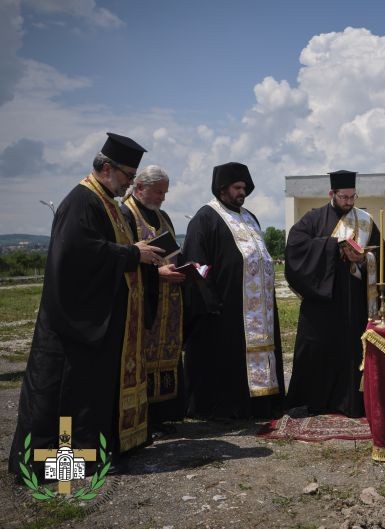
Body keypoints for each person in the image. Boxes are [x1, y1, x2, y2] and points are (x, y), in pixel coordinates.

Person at [9, 133, 163, 478]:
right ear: (106, 168)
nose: (128, 184)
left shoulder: (105, 201)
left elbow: (106, 249)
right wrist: (132, 253)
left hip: (98, 323)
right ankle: (59, 466)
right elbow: (78, 255)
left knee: (88, 396)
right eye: (127, 176)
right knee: (65, 397)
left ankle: (90, 456)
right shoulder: (81, 201)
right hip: (72, 327)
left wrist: (134, 252)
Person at [182, 162, 284, 420]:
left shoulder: (250, 217)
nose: (243, 193)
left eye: (245, 188)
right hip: (226, 309)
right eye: (237, 187)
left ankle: (262, 402)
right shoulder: (205, 218)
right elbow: (196, 265)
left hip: (260, 309)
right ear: (222, 188)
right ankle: (228, 407)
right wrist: (210, 302)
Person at [285, 170, 385, 418]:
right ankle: (314, 401)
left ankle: (350, 401)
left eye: (353, 197)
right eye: (344, 197)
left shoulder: (364, 220)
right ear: (332, 194)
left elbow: (381, 255)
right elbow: (296, 248)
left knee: (351, 350)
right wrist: (334, 248)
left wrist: (366, 258)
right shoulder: (313, 219)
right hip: (322, 299)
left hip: (354, 299)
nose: (350, 202)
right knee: (317, 348)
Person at [121, 165, 186, 433]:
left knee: (167, 356)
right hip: (143, 301)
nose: (162, 197)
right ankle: (144, 418)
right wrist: (157, 272)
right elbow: (125, 257)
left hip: (168, 301)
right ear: (139, 188)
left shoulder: (164, 216)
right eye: (158, 191)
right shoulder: (125, 214)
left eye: (165, 192)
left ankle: (164, 415)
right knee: (143, 359)